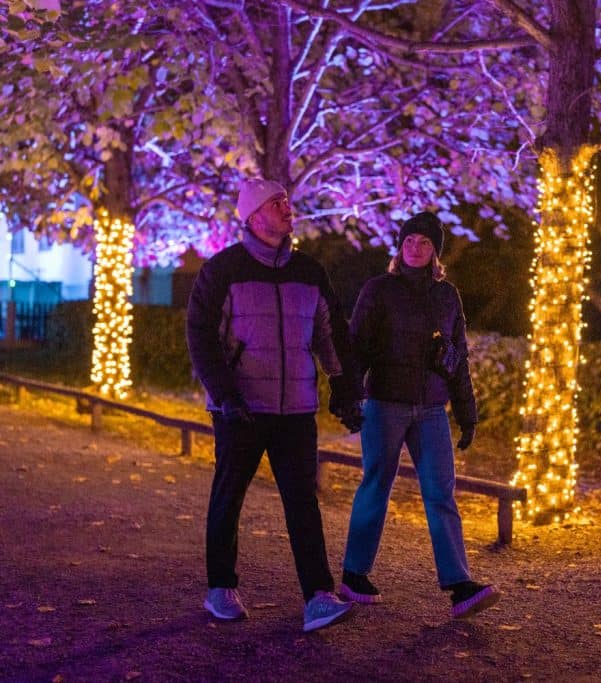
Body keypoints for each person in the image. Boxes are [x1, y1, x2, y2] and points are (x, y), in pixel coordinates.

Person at [186, 178, 360, 632]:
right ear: (253, 216)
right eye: (275, 202)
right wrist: (224, 393)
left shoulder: (309, 271)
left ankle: (318, 595)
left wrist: (344, 386)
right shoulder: (222, 270)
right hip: (241, 407)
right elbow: (202, 335)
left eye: (286, 200)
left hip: (297, 409)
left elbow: (329, 332)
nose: (287, 208)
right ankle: (220, 587)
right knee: (229, 495)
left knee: (303, 502)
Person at [339, 211, 500, 619]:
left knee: (440, 492)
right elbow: (356, 346)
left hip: (431, 408)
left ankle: (460, 584)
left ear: (435, 252)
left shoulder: (447, 297)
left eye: (424, 242)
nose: (416, 247)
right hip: (385, 403)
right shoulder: (379, 290)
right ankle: (354, 573)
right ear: (400, 246)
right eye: (410, 240)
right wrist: (349, 398)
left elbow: (458, 356)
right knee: (376, 484)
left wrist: (467, 413)